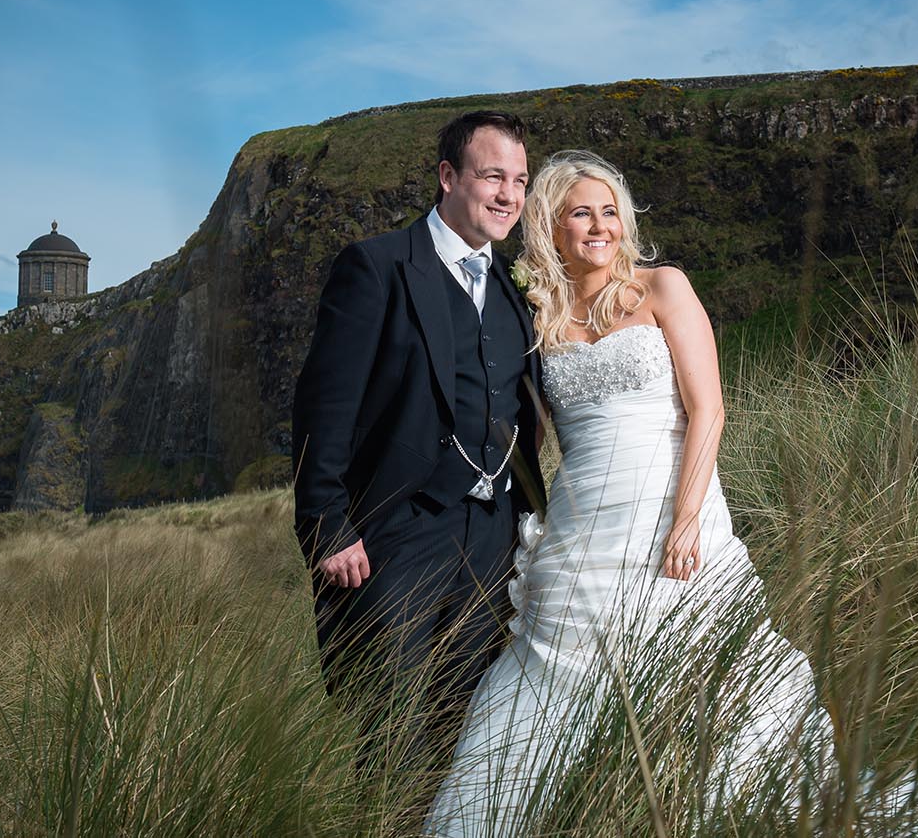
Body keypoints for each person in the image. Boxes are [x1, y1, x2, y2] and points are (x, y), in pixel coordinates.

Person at [423, 150, 845, 835]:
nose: (599, 226)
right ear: (552, 228)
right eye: (581, 214)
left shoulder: (662, 287)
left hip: (669, 513)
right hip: (580, 524)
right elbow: (526, 431)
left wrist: (687, 520)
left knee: (702, 665)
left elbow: (709, 409)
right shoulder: (538, 317)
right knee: (548, 672)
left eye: (609, 212)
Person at [292, 110, 548, 768]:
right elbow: (324, 406)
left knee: (464, 730)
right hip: (396, 532)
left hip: (493, 539)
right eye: (492, 176)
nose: (508, 195)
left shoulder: (516, 290)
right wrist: (327, 526)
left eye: (519, 181)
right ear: (447, 176)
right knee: (388, 731)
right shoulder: (376, 267)